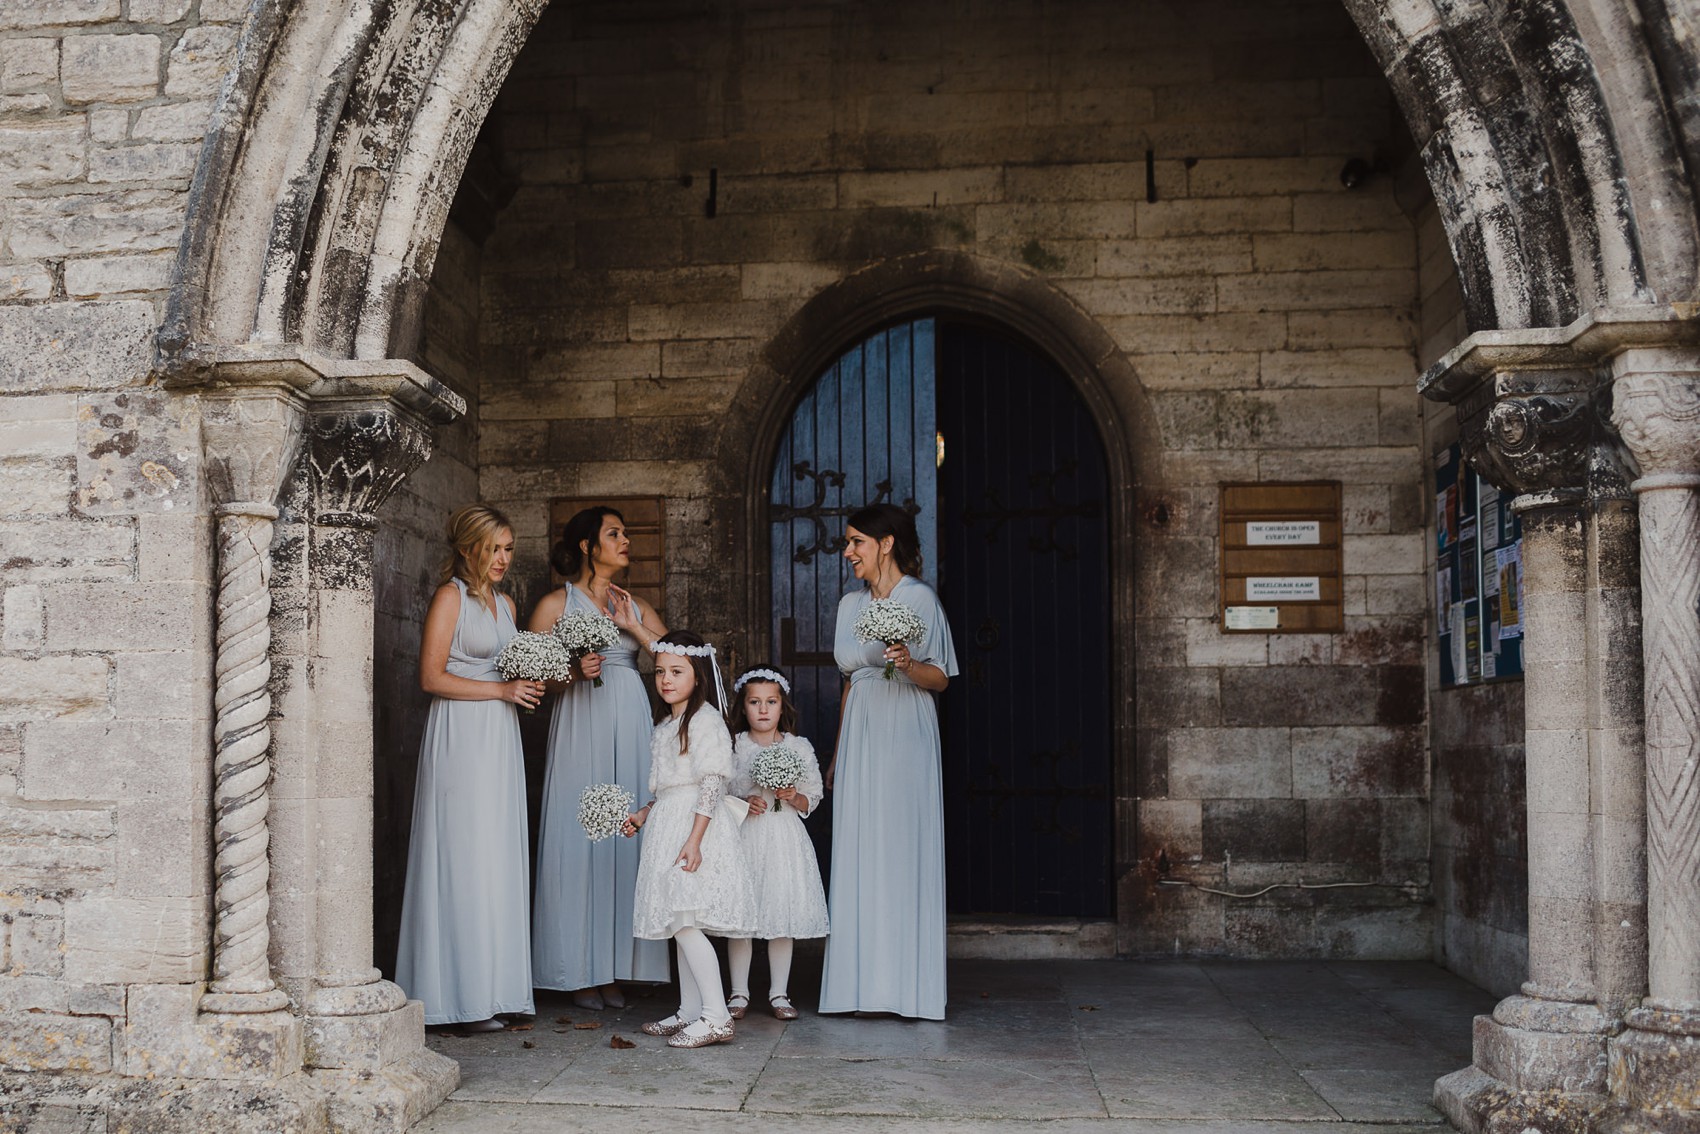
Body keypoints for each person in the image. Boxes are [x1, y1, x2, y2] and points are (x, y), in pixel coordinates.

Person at [395, 504, 542, 1032]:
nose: (503, 559)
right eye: (494, 548)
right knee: (462, 854)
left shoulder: (506, 605)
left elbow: (510, 667)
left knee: (495, 855)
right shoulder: (449, 597)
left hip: (499, 737)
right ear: (467, 549)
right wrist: (501, 689)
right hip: (459, 734)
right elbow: (431, 677)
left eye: (508, 549)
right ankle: (454, 997)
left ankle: (495, 991)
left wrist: (531, 680)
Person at [819, 503, 959, 1020]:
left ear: (886, 543)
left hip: (905, 727)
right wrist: (836, 756)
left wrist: (908, 662)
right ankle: (858, 989)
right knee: (860, 847)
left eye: (857, 541)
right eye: (847, 542)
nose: (848, 551)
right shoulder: (848, 606)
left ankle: (906, 990)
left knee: (900, 845)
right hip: (861, 730)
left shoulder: (919, 598)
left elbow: (941, 678)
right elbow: (850, 683)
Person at [530, 506, 671, 1011]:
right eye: (615, 533)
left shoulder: (634, 603)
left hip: (629, 717)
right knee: (581, 836)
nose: (626, 540)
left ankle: (618, 968)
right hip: (580, 725)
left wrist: (634, 629)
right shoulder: (554, 604)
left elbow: (681, 658)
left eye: (627, 532)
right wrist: (570, 669)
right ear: (589, 546)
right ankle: (578, 969)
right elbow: (530, 679)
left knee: (624, 838)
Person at [620, 632, 756, 1048]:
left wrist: (695, 839)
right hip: (668, 820)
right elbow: (668, 788)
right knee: (683, 920)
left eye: (676, 672)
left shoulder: (706, 721)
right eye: (660, 671)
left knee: (684, 921)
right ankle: (690, 1009)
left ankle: (716, 1015)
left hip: (695, 827)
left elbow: (712, 782)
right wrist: (643, 815)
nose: (666, 679)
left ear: (697, 676)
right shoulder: (666, 725)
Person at [724, 664, 829, 1022]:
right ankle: (738, 992)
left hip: (784, 837)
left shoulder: (798, 747)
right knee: (743, 917)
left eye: (771, 701)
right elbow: (721, 792)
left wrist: (793, 794)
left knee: (781, 913)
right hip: (747, 837)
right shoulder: (735, 747)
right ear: (745, 707)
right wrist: (743, 803)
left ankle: (779, 993)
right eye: (755, 702)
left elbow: (812, 797)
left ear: (783, 706)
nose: (763, 709)